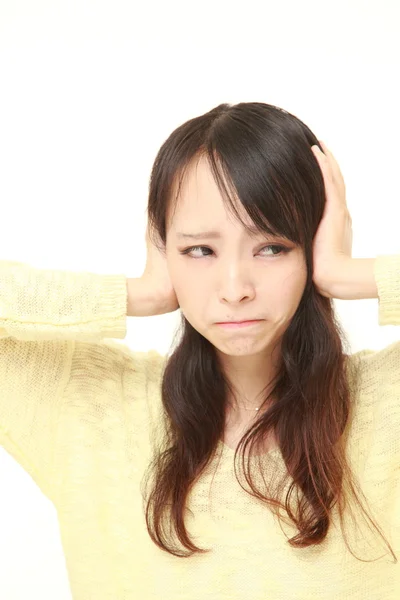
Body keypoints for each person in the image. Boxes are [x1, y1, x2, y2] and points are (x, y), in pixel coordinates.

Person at [0, 102, 399, 599]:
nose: (235, 288)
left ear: (315, 243)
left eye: (272, 247)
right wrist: (138, 293)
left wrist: (345, 273)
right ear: (162, 248)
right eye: (199, 250)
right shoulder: (84, 401)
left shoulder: (387, 403)